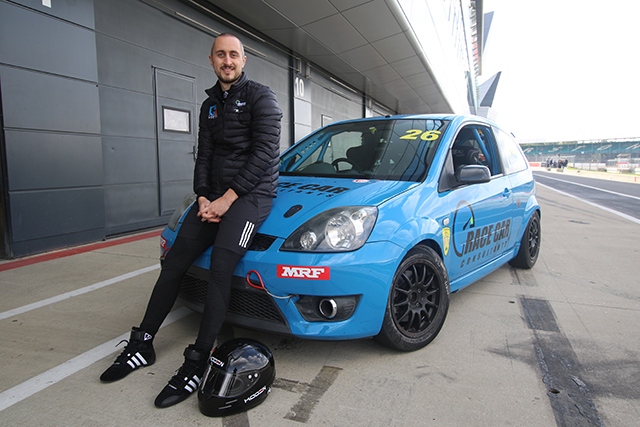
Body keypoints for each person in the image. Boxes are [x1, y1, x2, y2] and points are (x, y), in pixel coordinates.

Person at [99, 33, 282, 409]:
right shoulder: (210, 104)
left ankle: (197, 360)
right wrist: (203, 197)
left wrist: (227, 200)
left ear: (244, 60)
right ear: (211, 60)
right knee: (174, 263)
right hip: (213, 198)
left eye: (233, 55)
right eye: (220, 55)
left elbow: (264, 153)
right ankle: (142, 343)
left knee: (220, 267)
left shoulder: (263, 98)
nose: (227, 60)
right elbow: (204, 154)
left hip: (251, 197)